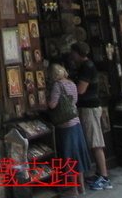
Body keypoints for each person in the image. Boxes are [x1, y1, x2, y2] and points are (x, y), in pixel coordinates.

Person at [68, 42, 112, 190]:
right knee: (93, 140)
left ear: (78, 53)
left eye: (73, 53)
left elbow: (81, 90)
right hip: (88, 107)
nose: (71, 56)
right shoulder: (85, 66)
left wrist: (67, 86)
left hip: (89, 108)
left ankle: (104, 176)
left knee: (95, 142)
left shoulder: (87, 67)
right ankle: (99, 172)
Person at [48, 63, 90, 195]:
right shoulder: (71, 84)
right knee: (77, 156)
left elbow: (53, 104)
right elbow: (75, 101)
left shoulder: (57, 85)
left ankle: (73, 189)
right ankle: (81, 187)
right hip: (76, 123)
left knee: (69, 157)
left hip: (65, 125)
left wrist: (45, 102)